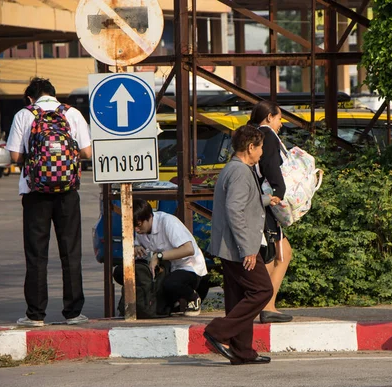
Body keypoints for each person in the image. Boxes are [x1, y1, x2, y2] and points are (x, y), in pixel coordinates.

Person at [6, 77, 92, 327]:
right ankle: (74, 312)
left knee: (36, 254)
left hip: (35, 192)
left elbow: (15, 156)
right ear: (54, 95)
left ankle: (35, 314)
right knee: (71, 252)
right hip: (67, 191)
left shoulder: (24, 114)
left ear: (30, 98)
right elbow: (87, 153)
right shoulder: (72, 113)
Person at [204, 124, 275, 365]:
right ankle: (218, 331)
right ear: (250, 147)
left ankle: (242, 351)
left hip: (229, 246)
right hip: (238, 248)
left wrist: (265, 200)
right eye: (261, 147)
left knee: (237, 296)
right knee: (262, 290)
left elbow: (241, 201)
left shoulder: (235, 168)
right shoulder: (241, 172)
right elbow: (234, 210)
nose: (262, 152)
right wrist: (248, 250)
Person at [113, 199, 208, 316]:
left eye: (138, 225)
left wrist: (159, 256)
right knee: (119, 272)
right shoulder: (141, 229)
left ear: (149, 217)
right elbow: (140, 244)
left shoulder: (168, 222)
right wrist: (136, 247)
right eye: (133, 227)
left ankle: (193, 297)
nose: (136, 230)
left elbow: (188, 249)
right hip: (164, 268)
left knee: (171, 284)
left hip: (188, 267)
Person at [249, 100, 293, 323]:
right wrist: (281, 191)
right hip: (267, 203)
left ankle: (267, 305)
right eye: (279, 118)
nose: (281, 123)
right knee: (275, 255)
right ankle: (265, 305)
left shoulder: (252, 135)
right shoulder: (268, 136)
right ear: (269, 118)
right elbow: (271, 167)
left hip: (256, 202)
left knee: (280, 252)